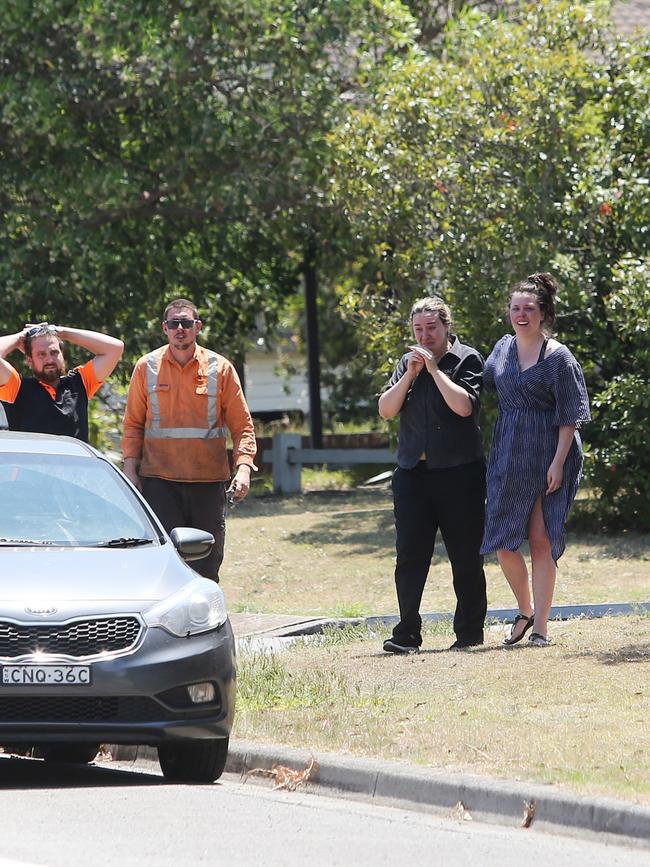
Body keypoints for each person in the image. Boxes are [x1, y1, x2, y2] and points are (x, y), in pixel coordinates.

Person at [480, 273, 590, 647]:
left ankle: (541, 627)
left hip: (550, 452)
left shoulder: (559, 357)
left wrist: (558, 462)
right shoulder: (502, 348)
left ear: (543, 313)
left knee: (541, 540)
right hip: (509, 450)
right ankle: (524, 610)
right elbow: (481, 384)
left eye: (529, 308)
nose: (521, 314)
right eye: (515, 308)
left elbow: (571, 413)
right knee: (503, 539)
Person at [379, 297, 487, 653]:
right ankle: (407, 631)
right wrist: (411, 373)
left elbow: (464, 406)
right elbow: (386, 410)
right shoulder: (405, 363)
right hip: (414, 473)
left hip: (460, 473)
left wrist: (435, 371)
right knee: (410, 555)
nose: (425, 337)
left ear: (446, 326)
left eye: (431, 328)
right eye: (418, 329)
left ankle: (469, 633)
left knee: (465, 555)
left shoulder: (466, 359)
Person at [121, 298, 257, 582]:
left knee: (207, 563)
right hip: (159, 482)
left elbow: (242, 425)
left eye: (185, 323)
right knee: (165, 560)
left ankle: (206, 623)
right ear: (165, 328)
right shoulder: (147, 367)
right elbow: (133, 424)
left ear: (198, 327)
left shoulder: (220, 368)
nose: (179, 329)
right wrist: (130, 469)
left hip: (207, 482)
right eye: (174, 323)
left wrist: (243, 468)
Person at [0, 323, 124, 442]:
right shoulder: (16, 388)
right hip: (30, 463)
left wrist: (63, 332)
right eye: (41, 354)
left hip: (74, 463)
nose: (49, 360)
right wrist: (19, 337)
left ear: (62, 354)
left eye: (54, 352)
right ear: (30, 360)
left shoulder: (80, 383)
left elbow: (115, 348)